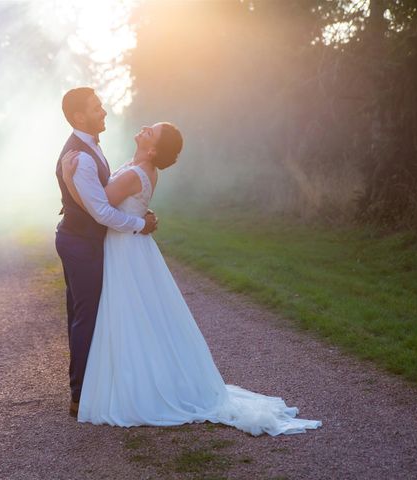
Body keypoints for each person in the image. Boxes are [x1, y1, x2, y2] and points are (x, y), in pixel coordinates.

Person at [60, 121, 322, 436]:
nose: (144, 129)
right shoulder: (137, 168)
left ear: (153, 149)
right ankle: (135, 376)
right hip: (131, 245)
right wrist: (141, 218)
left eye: (150, 132)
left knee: (131, 314)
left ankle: (136, 384)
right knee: (139, 316)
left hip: (126, 250)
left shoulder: (134, 173)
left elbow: (97, 206)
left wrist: (68, 180)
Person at [54, 87, 157, 418]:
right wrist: (140, 223)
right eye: (97, 108)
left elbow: (98, 199)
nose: (104, 112)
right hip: (80, 242)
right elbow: (101, 213)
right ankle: (81, 394)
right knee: (87, 317)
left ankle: (86, 385)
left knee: (83, 314)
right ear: (79, 117)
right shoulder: (81, 156)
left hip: (81, 240)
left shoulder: (89, 148)